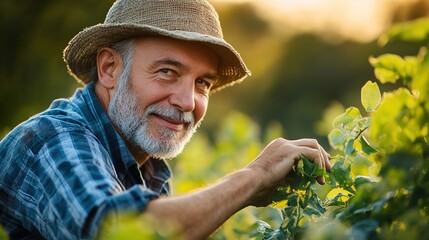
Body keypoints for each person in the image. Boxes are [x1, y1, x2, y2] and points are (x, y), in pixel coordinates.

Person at [0, 0, 331, 239]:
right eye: (167, 72)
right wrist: (254, 176)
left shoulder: (148, 168)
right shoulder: (50, 139)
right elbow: (121, 232)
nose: (188, 102)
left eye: (203, 83)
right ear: (109, 69)